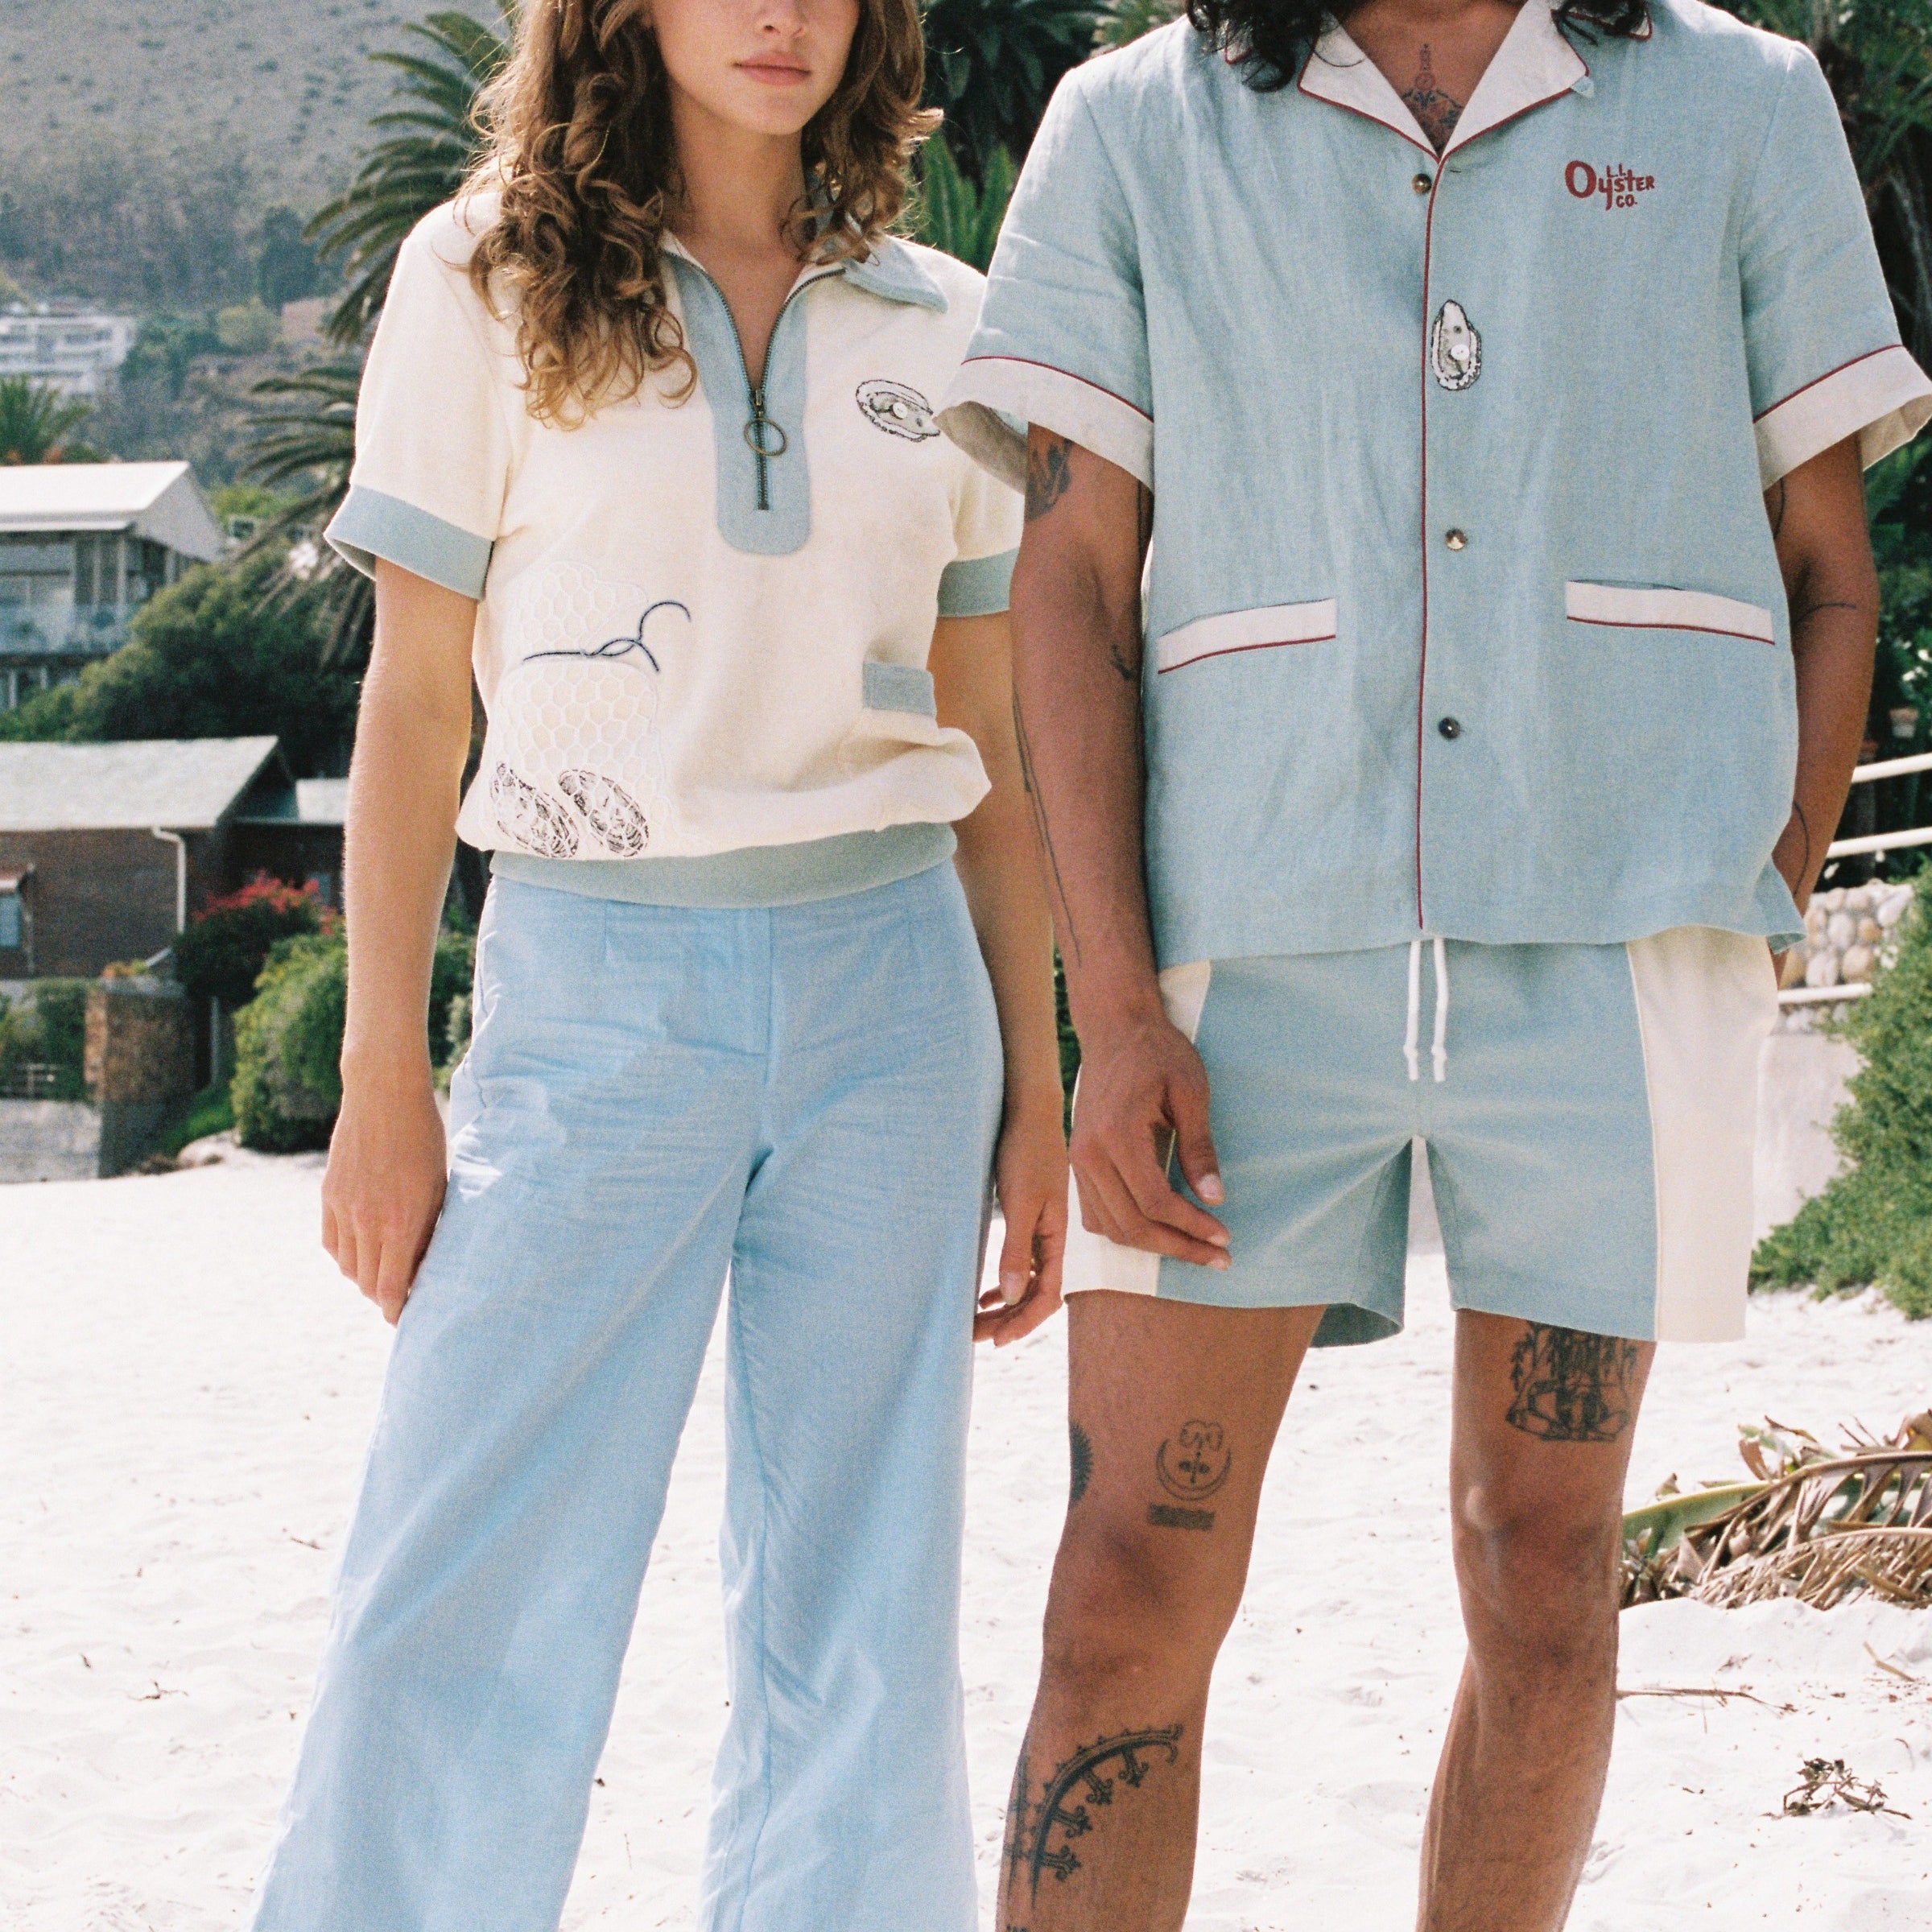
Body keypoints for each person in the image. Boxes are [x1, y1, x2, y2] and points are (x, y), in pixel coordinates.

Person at [938, 0, 1930, 1924]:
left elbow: (1832, 563)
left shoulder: (1743, 102)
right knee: (1126, 1580)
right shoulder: (1133, 126)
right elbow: (1067, 577)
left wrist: (1764, 884)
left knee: (1545, 1573)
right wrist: (1118, 1006)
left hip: (1615, 959)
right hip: (1239, 965)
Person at [246, 0, 1065, 1926]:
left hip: (895, 1006)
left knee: (859, 1605)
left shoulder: (940, 320)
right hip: (594, 999)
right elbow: (414, 701)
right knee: (466, 1571)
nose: (779, 15)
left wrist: (1042, 1090)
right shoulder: (483, 275)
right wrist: (384, 1078)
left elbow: (993, 749)